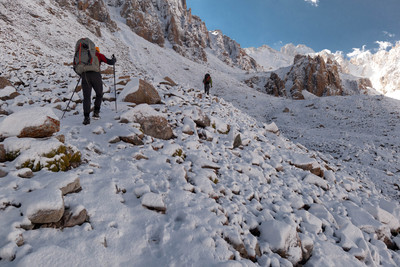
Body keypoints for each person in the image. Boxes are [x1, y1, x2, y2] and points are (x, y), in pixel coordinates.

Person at [81, 47, 116, 125]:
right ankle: (96, 112)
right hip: (95, 75)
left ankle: (86, 118)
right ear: (97, 50)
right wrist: (114, 59)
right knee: (99, 94)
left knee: (86, 97)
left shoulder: (84, 56)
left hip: (85, 75)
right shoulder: (99, 55)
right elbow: (110, 62)